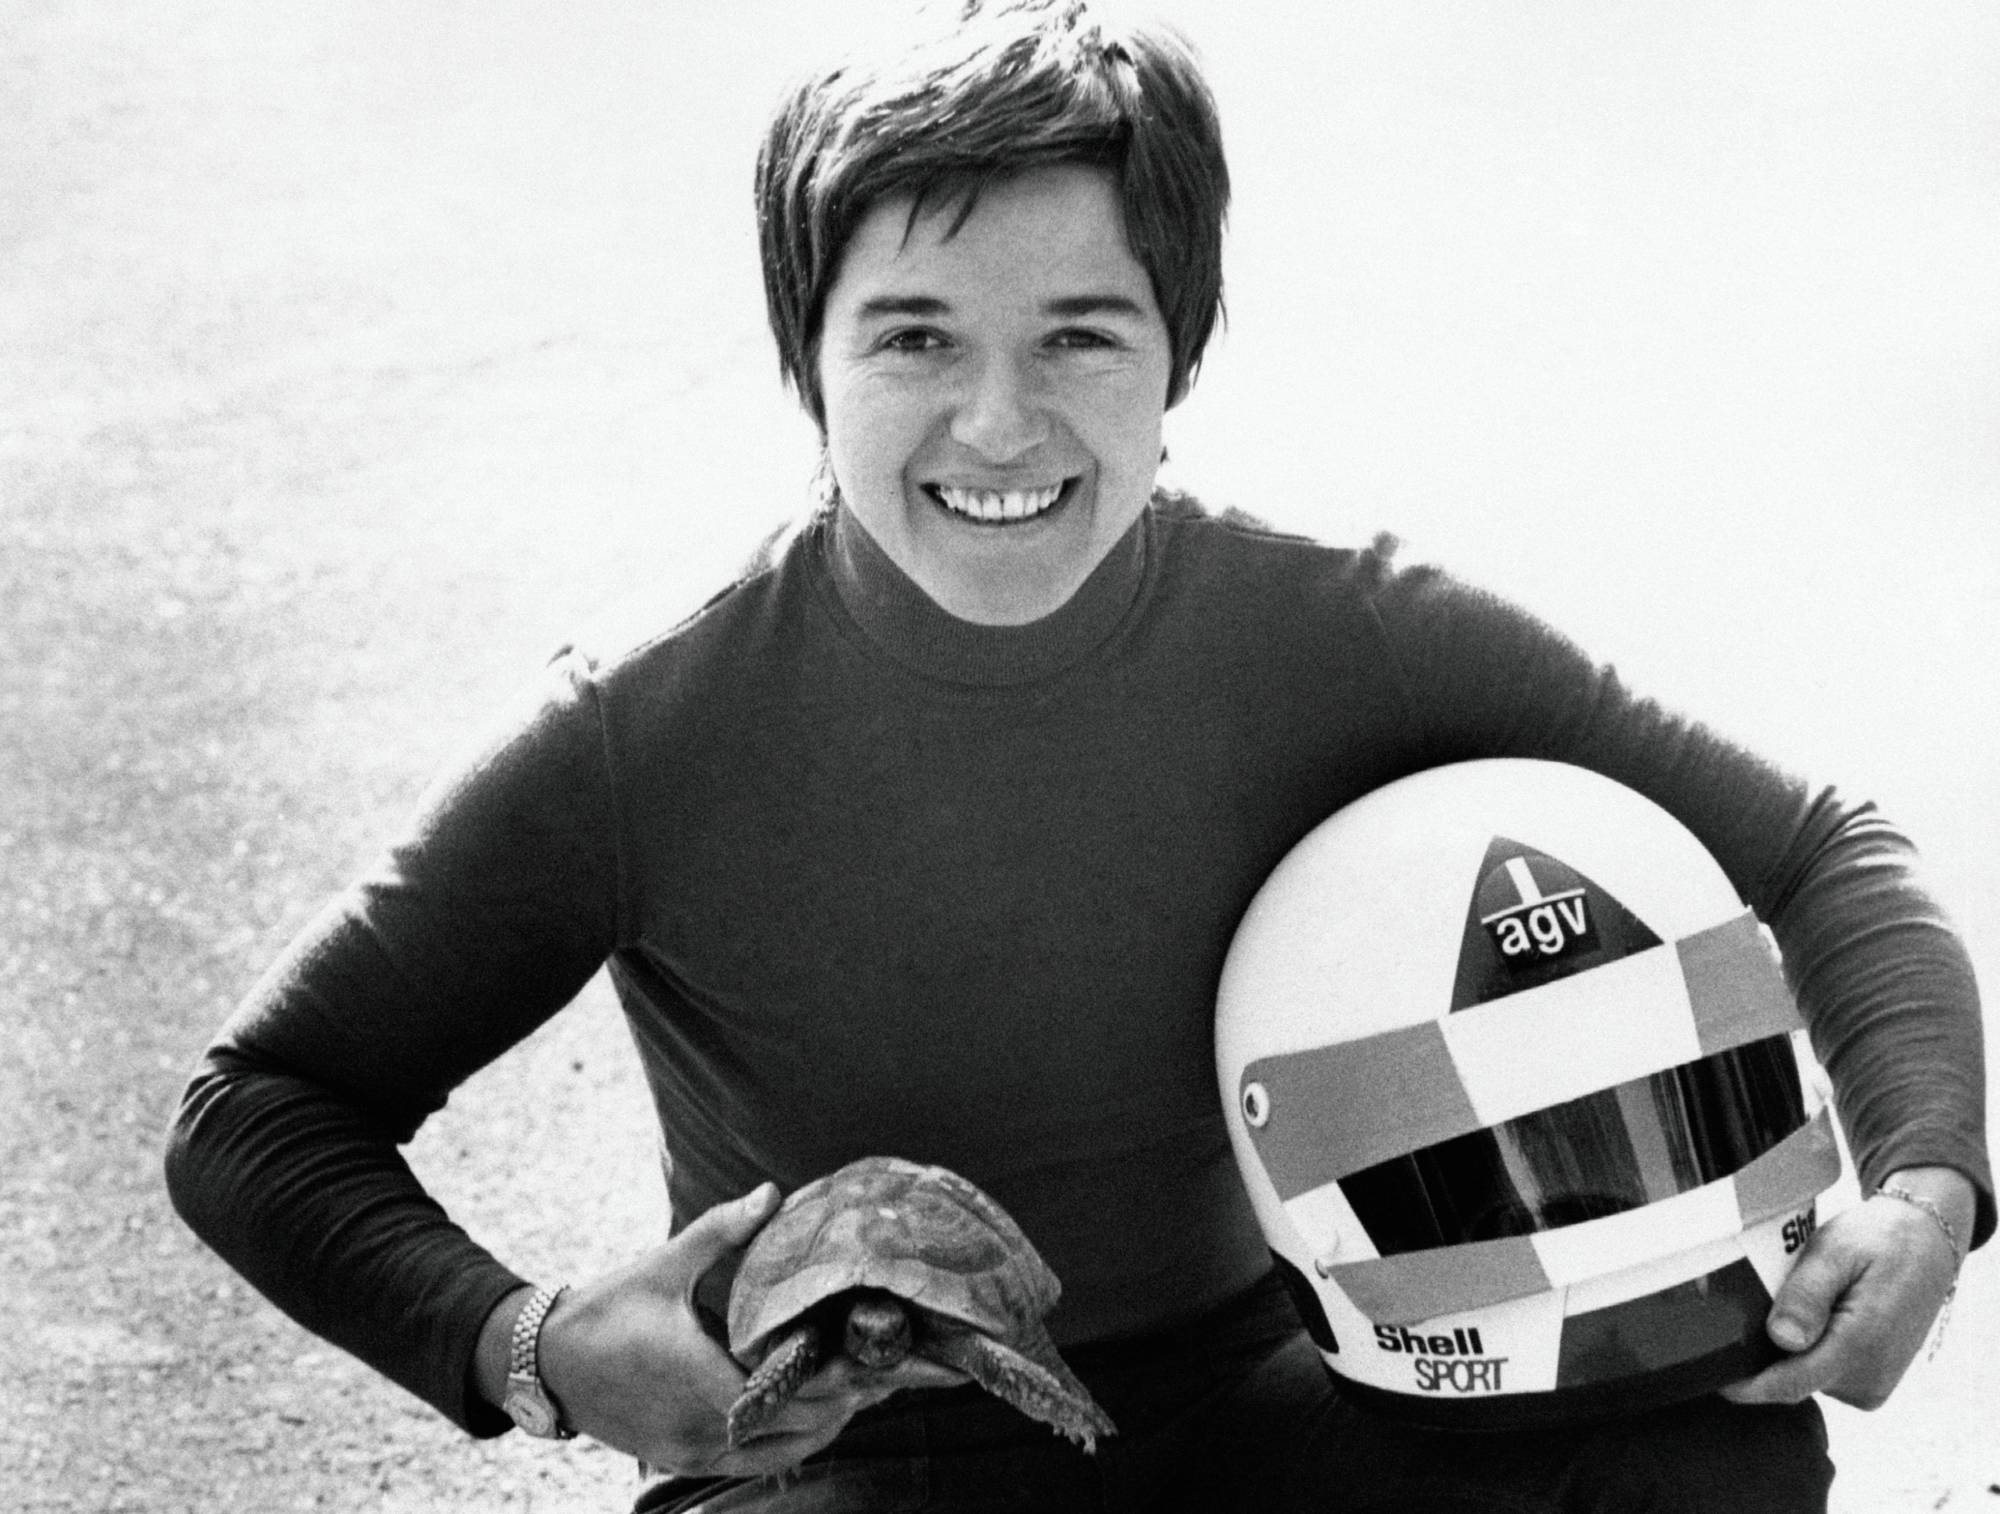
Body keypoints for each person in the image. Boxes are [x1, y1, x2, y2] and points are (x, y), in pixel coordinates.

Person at [165, 3, 1989, 1510]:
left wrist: (1924, 1194)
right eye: (913, 339)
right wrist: (534, 1342)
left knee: (1698, 1453)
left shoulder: (1337, 630)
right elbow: (257, 1112)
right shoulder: (647, 730)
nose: (997, 421)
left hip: (1290, 1399)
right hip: (841, 1459)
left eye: (1080, 336)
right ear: (809, 357)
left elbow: (1827, 850)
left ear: (1178, 350)